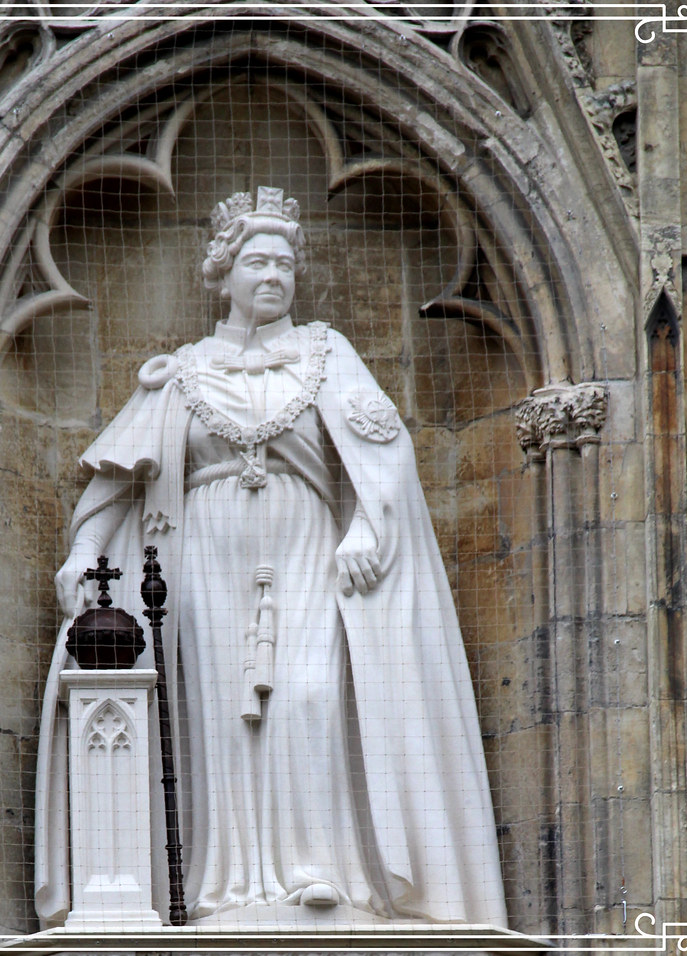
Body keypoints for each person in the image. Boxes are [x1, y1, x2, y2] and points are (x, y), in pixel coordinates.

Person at [34, 186, 507, 928]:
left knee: (310, 698)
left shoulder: (326, 354)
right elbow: (118, 476)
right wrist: (85, 553)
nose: (273, 275)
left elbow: (383, 453)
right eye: (257, 262)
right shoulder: (182, 372)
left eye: (285, 264)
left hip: (308, 549)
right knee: (223, 718)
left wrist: (368, 527)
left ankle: (320, 867)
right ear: (223, 274)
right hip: (203, 558)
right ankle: (227, 887)